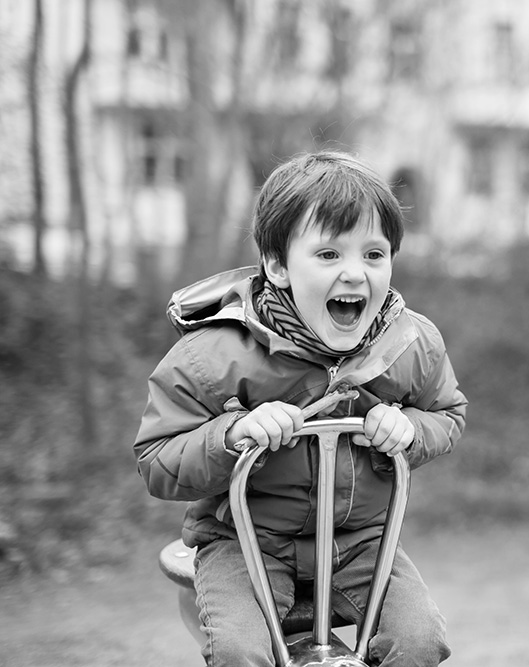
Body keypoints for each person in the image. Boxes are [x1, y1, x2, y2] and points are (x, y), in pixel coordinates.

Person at [133, 150, 467, 666]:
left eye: (374, 255)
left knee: (421, 640)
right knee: (241, 651)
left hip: (360, 540)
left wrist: (408, 429)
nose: (355, 273)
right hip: (247, 542)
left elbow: (448, 414)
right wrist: (233, 433)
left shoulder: (409, 345)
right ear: (277, 266)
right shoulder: (214, 356)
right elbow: (157, 460)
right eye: (329, 255)